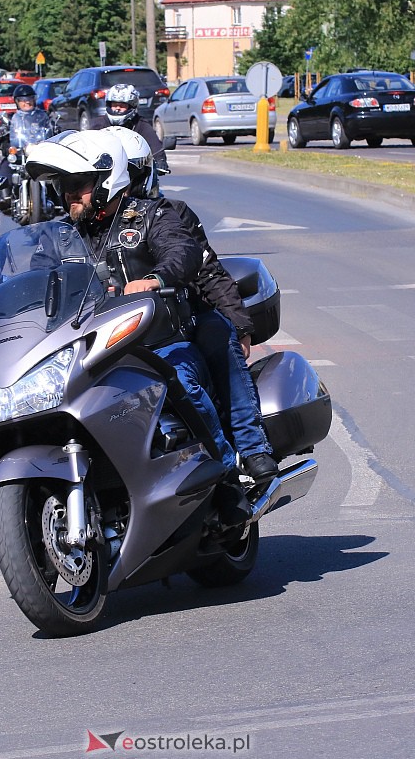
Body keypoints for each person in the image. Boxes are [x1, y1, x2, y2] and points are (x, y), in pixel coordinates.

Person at [25, 130, 241, 489]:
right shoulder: (60, 235)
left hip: (157, 341)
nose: (68, 194)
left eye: (77, 184)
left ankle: (225, 471)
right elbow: (35, 278)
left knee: (182, 379)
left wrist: (155, 279)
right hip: (88, 348)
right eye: (62, 185)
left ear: (107, 182)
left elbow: (184, 252)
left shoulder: (153, 215)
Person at [102, 125, 278, 483]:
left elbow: (207, 271)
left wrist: (240, 325)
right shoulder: (83, 226)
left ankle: (250, 446)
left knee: (219, 336)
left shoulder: (169, 213)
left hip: (180, 316)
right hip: (109, 331)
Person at [0, 83, 55, 211]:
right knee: (5, 166)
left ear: (34, 99)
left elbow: (51, 127)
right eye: (23, 100)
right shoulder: (10, 118)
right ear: (17, 102)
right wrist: (0, 135)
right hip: (19, 152)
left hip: (40, 151)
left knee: (59, 168)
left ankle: (61, 197)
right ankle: (5, 197)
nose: (27, 102)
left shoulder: (42, 116)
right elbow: (3, 135)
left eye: (29, 99)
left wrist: (56, 128)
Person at [104, 83, 169, 173]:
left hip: (134, 173)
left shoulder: (141, 124)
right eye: (114, 104)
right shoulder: (98, 124)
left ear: (132, 106)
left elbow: (155, 146)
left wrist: (160, 161)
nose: (117, 109)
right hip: (104, 171)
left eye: (122, 105)